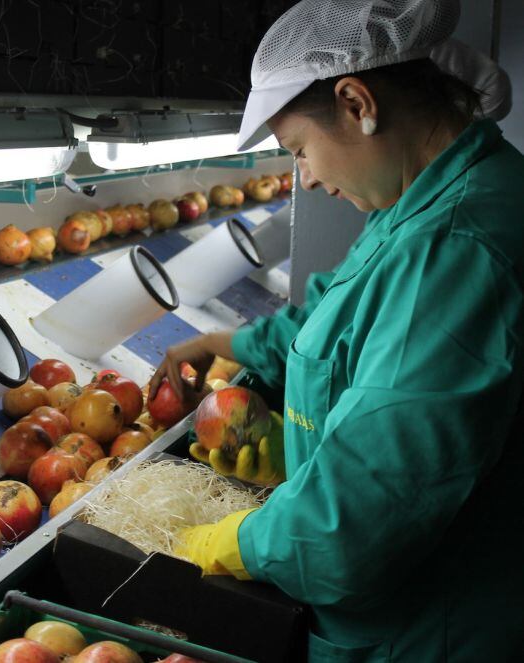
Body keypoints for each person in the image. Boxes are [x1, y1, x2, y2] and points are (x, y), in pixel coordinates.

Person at [149, 1, 524, 661]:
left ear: (357, 103)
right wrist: (296, 441)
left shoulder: (457, 247)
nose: (308, 178)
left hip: (427, 633)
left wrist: (230, 542)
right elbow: (342, 320)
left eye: (300, 149)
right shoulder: (423, 206)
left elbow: (352, 523)